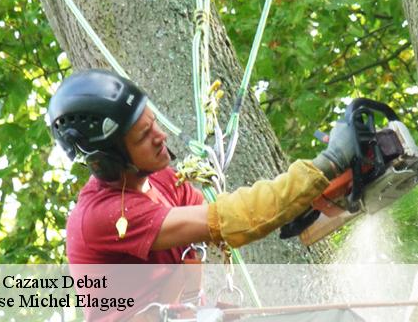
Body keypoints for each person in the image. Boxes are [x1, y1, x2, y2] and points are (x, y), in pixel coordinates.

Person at [47, 69, 357, 315]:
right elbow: (227, 220)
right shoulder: (104, 217)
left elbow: (233, 212)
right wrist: (326, 165)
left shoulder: (164, 182)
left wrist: (305, 196)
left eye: (153, 123)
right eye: (144, 136)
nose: (161, 136)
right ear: (107, 161)